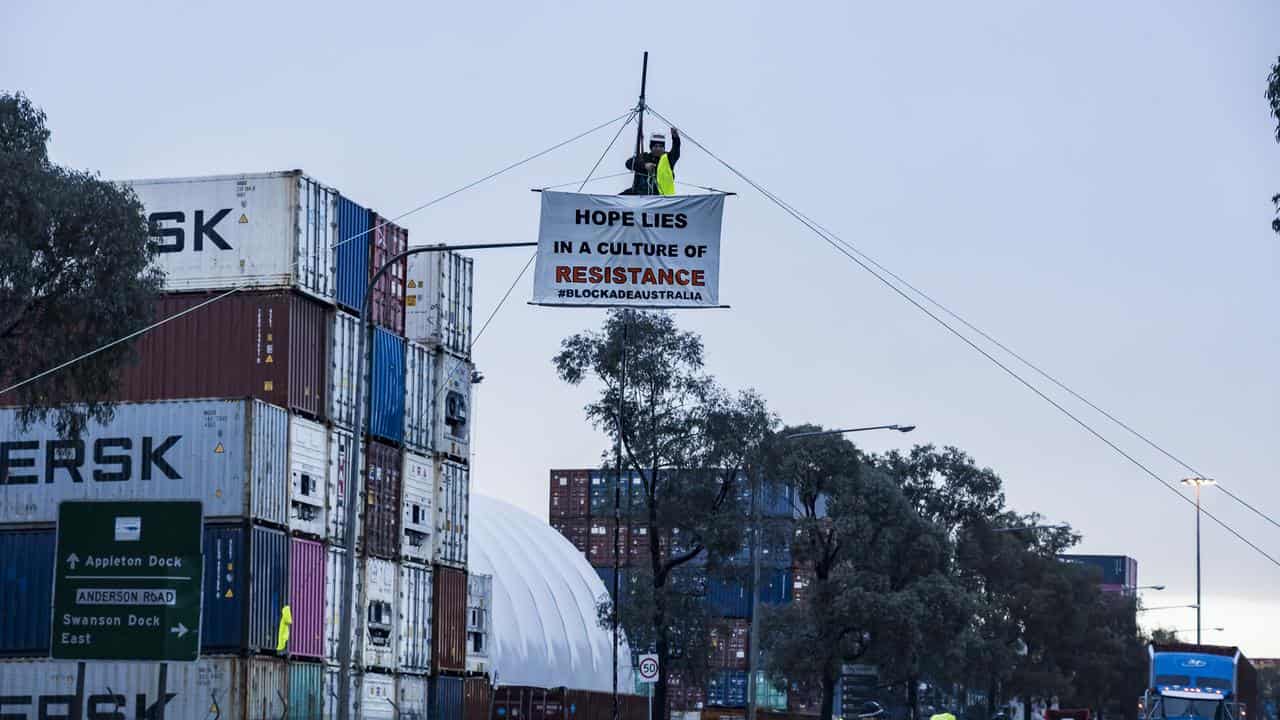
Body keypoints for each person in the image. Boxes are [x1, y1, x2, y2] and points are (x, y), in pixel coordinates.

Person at [622, 127, 680, 195]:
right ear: (651, 147)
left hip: (662, 196)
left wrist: (676, 139)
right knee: (618, 199)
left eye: (661, 146)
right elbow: (628, 163)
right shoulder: (644, 157)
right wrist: (644, 166)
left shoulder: (668, 158)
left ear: (664, 148)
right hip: (640, 194)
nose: (658, 149)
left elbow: (675, 152)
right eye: (655, 146)